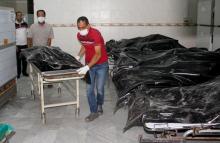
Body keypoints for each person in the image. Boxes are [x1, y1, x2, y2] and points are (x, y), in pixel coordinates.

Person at [76, 16, 109, 122]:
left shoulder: (95, 34)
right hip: (89, 65)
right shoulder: (80, 35)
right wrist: (78, 56)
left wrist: (87, 67)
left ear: (88, 25)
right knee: (89, 90)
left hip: (101, 65)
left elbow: (98, 54)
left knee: (99, 88)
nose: (81, 30)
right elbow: (84, 46)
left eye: (83, 27)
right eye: (79, 28)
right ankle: (93, 112)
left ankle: (99, 105)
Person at [15, 11, 28, 78]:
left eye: (20, 15)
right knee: (18, 61)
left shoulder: (25, 24)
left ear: (22, 16)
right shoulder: (13, 25)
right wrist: (15, 45)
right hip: (18, 46)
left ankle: (24, 72)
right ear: (16, 16)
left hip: (25, 45)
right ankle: (18, 73)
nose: (19, 17)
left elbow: (27, 34)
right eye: (18, 15)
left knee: (25, 60)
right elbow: (12, 36)